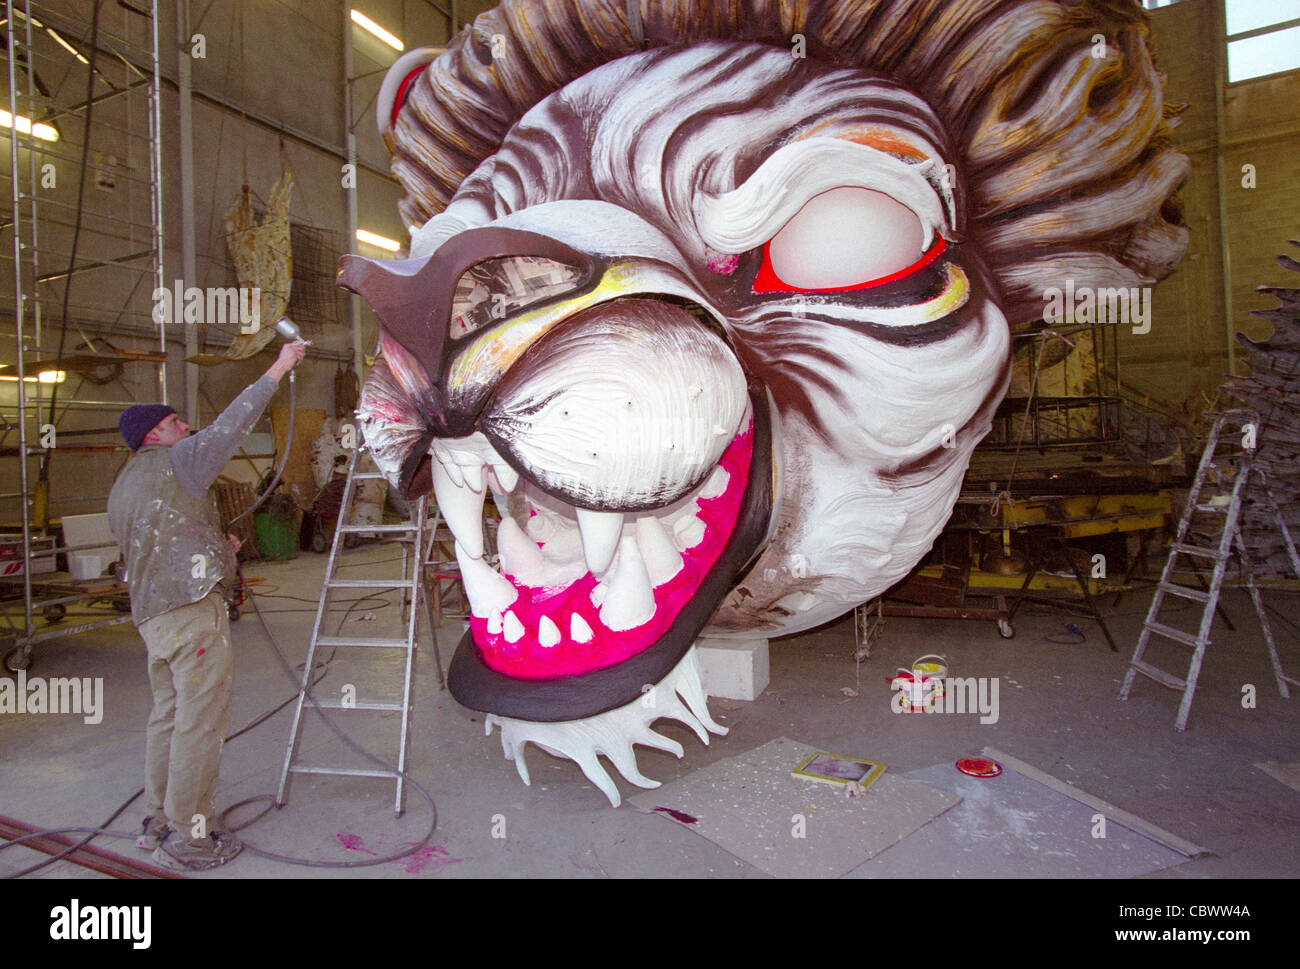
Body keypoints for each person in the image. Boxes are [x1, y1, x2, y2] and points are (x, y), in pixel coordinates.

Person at [107, 341, 306, 872]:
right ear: (155, 434)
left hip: (153, 616)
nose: (186, 428)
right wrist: (280, 367)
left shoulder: (125, 485)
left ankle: (157, 818)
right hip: (192, 613)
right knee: (200, 722)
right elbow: (231, 427)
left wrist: (219, 549)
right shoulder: (180, 461)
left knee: (168, 716)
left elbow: (157, 541)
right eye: (175, 422)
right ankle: (192, 835)